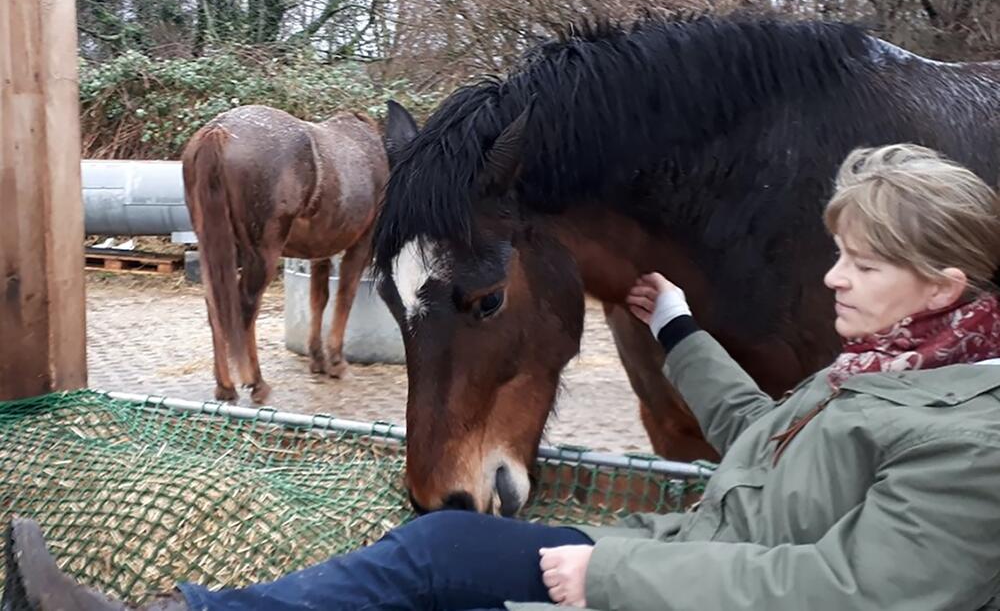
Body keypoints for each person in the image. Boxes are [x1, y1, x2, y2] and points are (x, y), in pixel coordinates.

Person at [6, 142, 1000, 611]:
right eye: (838, 254)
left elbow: (852, 592)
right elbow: (766, 441)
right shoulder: (885, 369)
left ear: (941, 284)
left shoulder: (972, 437)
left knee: (445, 577)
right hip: (685, 563)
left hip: (688, 586)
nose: (832, 279)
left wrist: (618, 573)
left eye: (862, 265)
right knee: (438, 546)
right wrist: (680, 331)